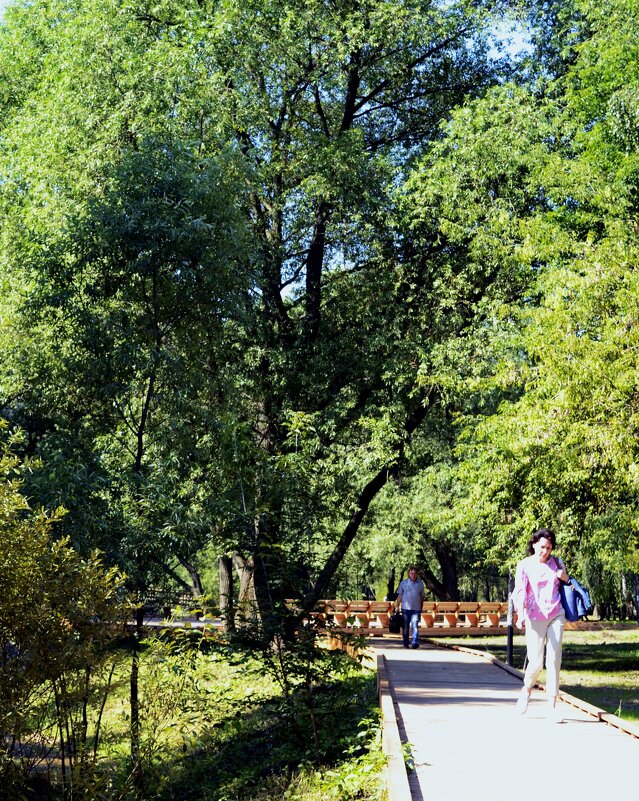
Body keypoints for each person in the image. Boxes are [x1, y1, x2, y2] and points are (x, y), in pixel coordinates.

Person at [512, 527, 569, 722]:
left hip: (556, 614)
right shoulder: (524, 565)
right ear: (534, 544)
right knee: (536, 663)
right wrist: (519, 614)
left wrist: (564, 577)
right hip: (534, 617)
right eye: (543, 547)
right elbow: (519, 591)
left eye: (549, 547)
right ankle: (526, 689)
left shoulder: (557, 563)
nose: (545, 551)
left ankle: (552, 706)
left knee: (554, 660)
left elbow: (567, 582)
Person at [395, 566, 425, 649]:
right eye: (412, 573)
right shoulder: (403, 583)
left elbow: (422, 596)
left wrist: (421, 607)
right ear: (409, 574)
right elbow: (400, 595)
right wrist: (397, 605)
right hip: (405, 608)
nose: (413, 575)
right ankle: (406, 642)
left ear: (417, 574)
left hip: (416, 609)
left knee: (414, 625)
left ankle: (415, 642)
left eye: (415, 573)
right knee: (406, 626)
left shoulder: (420, 583)